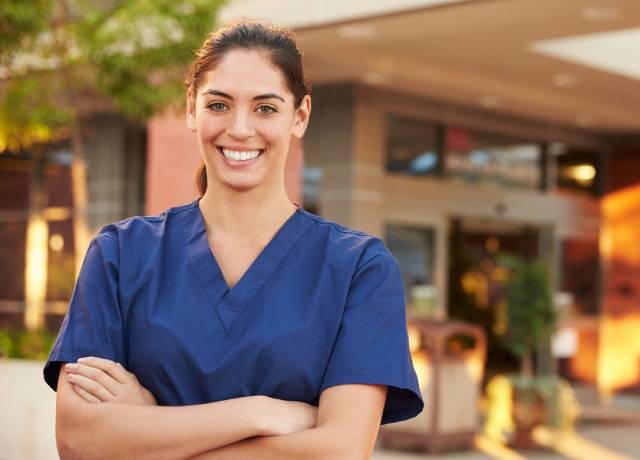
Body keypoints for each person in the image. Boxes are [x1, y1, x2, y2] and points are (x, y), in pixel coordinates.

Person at [43, 19, 424, 459]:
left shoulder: (359, 268)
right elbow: (78, 441)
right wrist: (257, 412)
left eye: (265, 108)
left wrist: (148, 429)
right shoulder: (119, 255)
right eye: (219, 105)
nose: (240, 129)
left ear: (299, 117)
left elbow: (338, 451)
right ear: (192, 109)